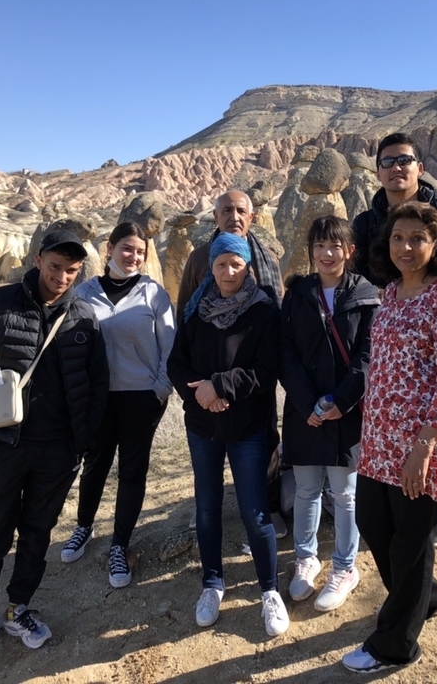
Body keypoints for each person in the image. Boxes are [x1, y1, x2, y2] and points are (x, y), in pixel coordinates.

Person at [0, 230, 109, 676]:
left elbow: (98, 385)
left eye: (72, 270)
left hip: (58, 452)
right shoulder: (2, 304)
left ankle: (18, 608)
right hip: (3, 448)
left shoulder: (84, 317)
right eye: (55, 266)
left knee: (38, 535)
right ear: (39, 260)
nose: (62, 276)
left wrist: (82, 442)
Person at [342, 201, 437, 674]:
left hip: (422, 441)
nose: (406, 246)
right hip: (379, 437)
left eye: (418, 238)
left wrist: (424, 446)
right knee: (375, 525)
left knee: (411, 541)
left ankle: (394, 645)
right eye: (398, 237)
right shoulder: (392, 294)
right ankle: (428, 597)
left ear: (436, 244)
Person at [351, 131, 437, 547]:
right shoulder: (366, 222)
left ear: (420, 168)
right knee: (394, 427)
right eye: (388, 162)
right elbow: (359, 278)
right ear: (377, 171)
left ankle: (435, 503)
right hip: (390, 334)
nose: (396, 168)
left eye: (404, 160)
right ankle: (401, 499)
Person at [167, 232, 290, 637]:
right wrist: (202, 394)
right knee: (207, 507)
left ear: (247, 266)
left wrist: (218, 386)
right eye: (221, 264)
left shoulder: (263, 311)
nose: (228, 271)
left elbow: (264, 370)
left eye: (236, 264)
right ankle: (212, 582)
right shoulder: (196, 311)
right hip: (203, 425)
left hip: (248, 427)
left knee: (256, 513)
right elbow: (177, 364)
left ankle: (269, 591)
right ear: (211, 268)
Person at [60, 221, 175, 588]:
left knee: (132, 471)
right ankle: (83, 527)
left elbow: (171, 346)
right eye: (127, 248)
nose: (133, 256)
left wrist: (160, 389)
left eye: (140, 251)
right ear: (109, 248)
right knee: (94, 465)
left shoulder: (153, 294)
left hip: (142, 398)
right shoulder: (85, 293)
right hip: (99, 399)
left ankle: (119, 545)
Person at [279, 216, 380, 612]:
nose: (326, 253)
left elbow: (369, 356)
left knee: (344, 494)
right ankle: (306, 558)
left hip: (348, 412)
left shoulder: (367, 296)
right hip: (305, 413)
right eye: (319, 246)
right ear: (311, 251)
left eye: (335, 246)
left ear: (349, 251)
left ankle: (344, 566)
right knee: (305, 491)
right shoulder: (297, 294)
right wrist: (309, 404)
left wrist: (341, 400)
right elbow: (285, 353)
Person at [176, 189, 287, 538]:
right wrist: (200, 384)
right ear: (216, 216)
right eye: (226, 210)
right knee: (206, 445)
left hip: (253, 375)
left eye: (241, 210)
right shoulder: (198, 259)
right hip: (207, 374)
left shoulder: (266, 257)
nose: (234, 216)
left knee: (264, 438)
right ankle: (206, 507)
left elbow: (278, 307)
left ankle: (267, 504)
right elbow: (185, 314)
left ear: (251, 217)